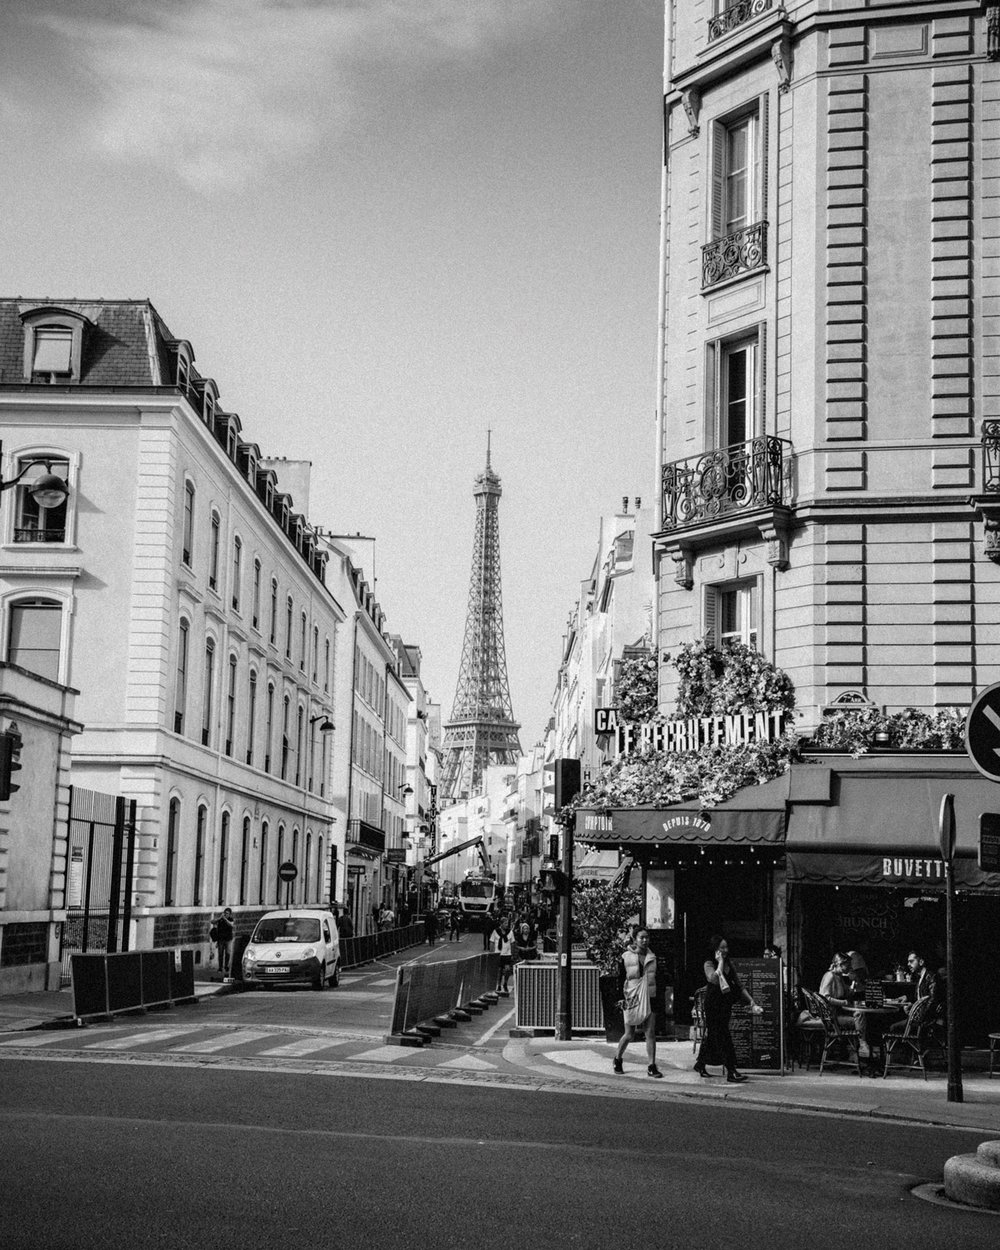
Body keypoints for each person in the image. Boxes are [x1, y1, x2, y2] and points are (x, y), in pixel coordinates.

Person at [694, 934, 763, 1083]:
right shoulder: (709, 963)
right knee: (723, 1035)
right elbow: (713, 978)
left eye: (726, 947)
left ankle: (700, 1064)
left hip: (725, 1004)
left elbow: (738, 984)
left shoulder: (729, 964)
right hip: (713, 1005)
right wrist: (719, 962)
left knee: (714, 1035)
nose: (725, 950)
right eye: (722, 948)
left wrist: (751, 1001)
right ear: (715, 949)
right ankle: (732, 1070)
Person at [613, 928, 663, 1079]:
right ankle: (617, 1058)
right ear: (634, 939)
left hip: (650, 997)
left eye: (647, 937)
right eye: (641, 937)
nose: (644, 940)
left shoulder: (652, 957)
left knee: (650, 1033)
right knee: (629, 1034)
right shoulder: (626, 957)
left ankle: (651, 1065)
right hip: (632, 997)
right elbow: (620, 978)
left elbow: (659, 978)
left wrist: (659, 998)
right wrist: (620, 1000)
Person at [210, 907, 235, 977]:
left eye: (227, 914)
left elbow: (231, 924)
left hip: (228, 939)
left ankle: (226, 966)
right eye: (225, 913)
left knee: (228, 953)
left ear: (230, 914)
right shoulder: (220, 920)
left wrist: (225, 919)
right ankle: (220, 967)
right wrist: (220, 918)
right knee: (220, 953)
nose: (225, 915)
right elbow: (212, 922)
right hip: (221, 939)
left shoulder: (230, 919)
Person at [492, 919, 514, 994]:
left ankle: (505, 983)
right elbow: (492, 941)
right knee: (499, 971)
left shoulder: (510, 932)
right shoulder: (495, 931)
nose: (506, 925)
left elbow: (512, 942)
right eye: (505, 923)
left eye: (507, 923)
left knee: (507, 970)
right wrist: (492, 953)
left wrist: (512, 953)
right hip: (498, 953)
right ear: (501, 924)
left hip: (507, 954)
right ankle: (498, 984)